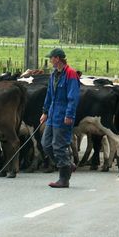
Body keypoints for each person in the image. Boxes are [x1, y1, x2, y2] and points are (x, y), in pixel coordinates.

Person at [39, 48, 81, 188]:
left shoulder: (71, 74)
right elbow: (49, 94)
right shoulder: (53, 74)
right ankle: (68, 165)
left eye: (51, 58)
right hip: (52, 114)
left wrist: (69, 114)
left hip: (63, 115)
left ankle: (64, 178)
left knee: (59, 145)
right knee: (46, 143)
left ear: (57, 58)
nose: (50, 60)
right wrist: (45, 112)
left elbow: (73, 97)